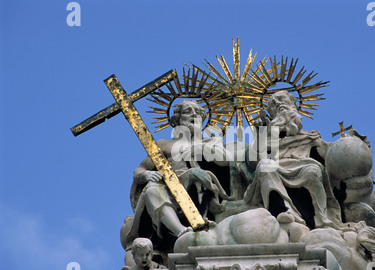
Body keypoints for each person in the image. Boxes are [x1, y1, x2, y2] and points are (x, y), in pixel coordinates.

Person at [126, 100, 231, 254]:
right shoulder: (164, 145)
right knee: (152, 190)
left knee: (198, 174)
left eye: (198, 114)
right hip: (170, 189)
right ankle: (180, 230)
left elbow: (225, 161)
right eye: (189, 111)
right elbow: (139, 170)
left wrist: (199, 146)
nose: (194, 115)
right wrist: (147, 174)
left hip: (202, 189)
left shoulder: (211, 142)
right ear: (178, 119)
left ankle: (202, 220)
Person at [243, 91, 342, 229]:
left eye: (282, 100)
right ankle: (283, 210)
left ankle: (321, 218)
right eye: (274, 104)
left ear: (293, 105)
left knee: (313, 170)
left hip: (303, 166)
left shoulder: (310, 137)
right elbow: (254, 161)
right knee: (265, 166)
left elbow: (331, 156)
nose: (278, 104)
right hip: (276, 166)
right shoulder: (265, 134)